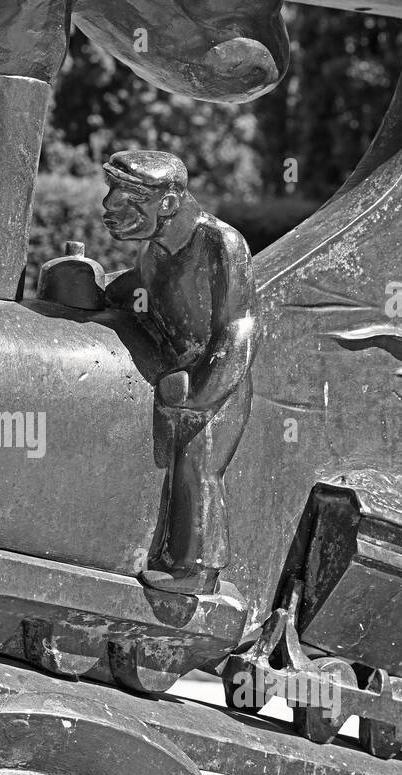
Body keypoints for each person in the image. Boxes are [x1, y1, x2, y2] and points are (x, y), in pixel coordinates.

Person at [100, 150, 260, 595]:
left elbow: (240, 324)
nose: (109, 205)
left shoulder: (221, 244)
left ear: (167, 203)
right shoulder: (156, 250)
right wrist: (93, 286)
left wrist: (202, 391)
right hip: (177, 377)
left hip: (215, 385)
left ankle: (195, 571)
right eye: (111, 191)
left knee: (197, 464)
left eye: (127, 197)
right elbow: (142, 286)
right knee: (174, 465)